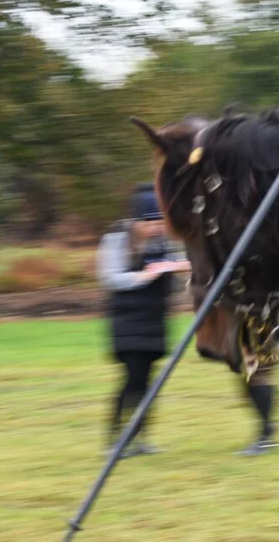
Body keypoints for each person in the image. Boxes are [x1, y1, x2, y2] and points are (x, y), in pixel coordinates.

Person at [98, 183, 190, 458]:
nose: (155, 228)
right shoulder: (116, 239)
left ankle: (140, 439)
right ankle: (115, 438)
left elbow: (184, 263)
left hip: (155, 321)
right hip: (127, 323)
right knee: (132, 380)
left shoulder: (165, 241)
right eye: (149, 223)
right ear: (136, 221)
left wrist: (171, 267)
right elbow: (110, 277)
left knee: (149, 384)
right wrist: (145, 276)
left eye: (160, 221)